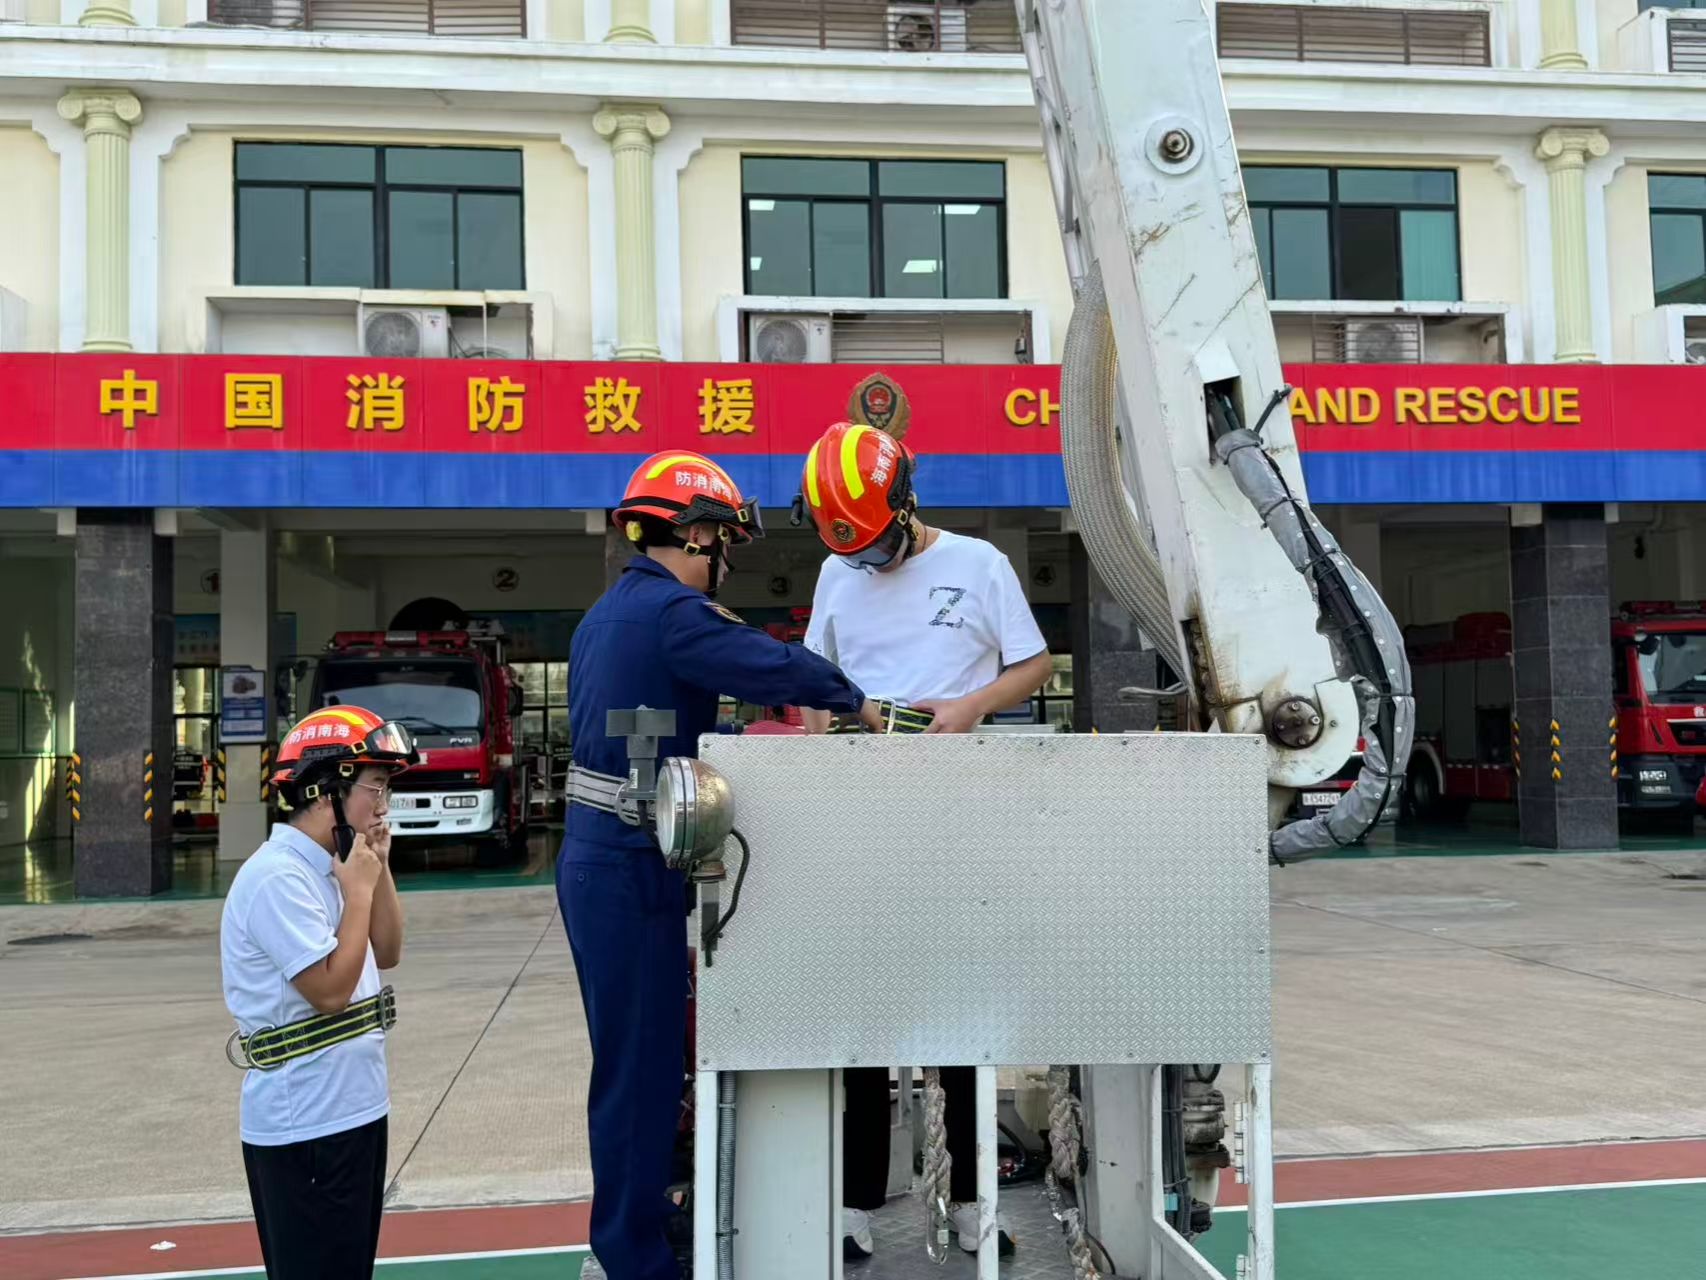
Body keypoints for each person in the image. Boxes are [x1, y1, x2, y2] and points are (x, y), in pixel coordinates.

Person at [563, 450, 883, 1280]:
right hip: (627, 863)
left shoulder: (611, 614)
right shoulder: (675, 614)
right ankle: (634, 1256)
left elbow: (653, 726)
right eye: (725, 541)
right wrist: (858, 701)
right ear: (697, 534)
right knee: (640, 1070)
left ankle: (640, 1221)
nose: (727, 558)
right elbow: (774, 665)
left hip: (610, 856)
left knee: (642, 1060)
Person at [793, 421, 1053, 1260]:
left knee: (960, 1016)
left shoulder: (979, 564)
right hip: (863, 813)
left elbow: (1035, 664)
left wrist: (971, 707)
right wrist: (819, 743)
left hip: (958, 814)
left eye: (876, 547)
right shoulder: (837, 571)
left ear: (907, 506)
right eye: (852, 553)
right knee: (863, 1019)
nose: (866, 564)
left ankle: (974, 1201)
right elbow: (815, 677)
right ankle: (854, 1204)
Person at [219, 706, 420, 1279]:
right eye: (374, 786)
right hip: (305, 1123)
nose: (383, 804)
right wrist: (357, 892)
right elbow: (330, 991)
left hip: (355, 1108)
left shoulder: (338, 863)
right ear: (324, 790)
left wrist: (377, 868)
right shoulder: (277, 877)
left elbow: (387, 950)